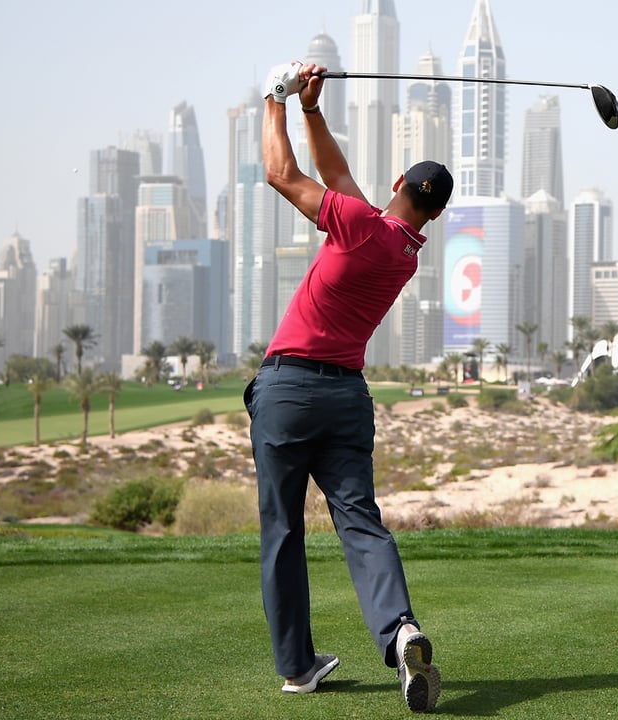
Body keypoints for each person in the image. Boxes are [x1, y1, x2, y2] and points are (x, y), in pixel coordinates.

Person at [243, 61, 450, 713]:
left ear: (396, 186)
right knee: (360, 520)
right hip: (346, 400)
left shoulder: (361, 223)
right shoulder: (403, 248)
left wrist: (272, 100)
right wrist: (310, 111)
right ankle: (400, 631)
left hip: (289, 390)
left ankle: (298, 667)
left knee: (282, 531)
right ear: (434, 214)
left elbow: (284, 175)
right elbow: (336, 179)